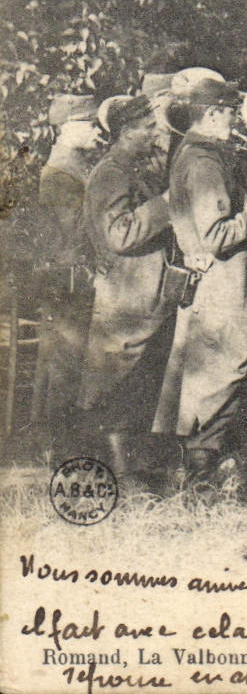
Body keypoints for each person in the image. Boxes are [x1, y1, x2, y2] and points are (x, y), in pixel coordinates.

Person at [155, 77, 247, 486]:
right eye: (233, 112)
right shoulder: (203, 163)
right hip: (227, 285)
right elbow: (215, 237)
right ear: (214, 113)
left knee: (221, 378)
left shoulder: (207, 155)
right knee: (219, 379)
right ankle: (202, 480)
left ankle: (205, 472)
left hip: (229, 283)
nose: (238, 121)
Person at [79, 96, 175, 481]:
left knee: (136, 381)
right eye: (147, 127)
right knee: (118, 382)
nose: (155, 132)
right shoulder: (111, 173)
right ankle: (122, 474)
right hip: (126, 294)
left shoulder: (131, 167)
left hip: (142, 293)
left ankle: (135, 469)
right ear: (124, 132)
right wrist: (166, 204)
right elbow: (119, 235)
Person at [29, 93, 102, 458]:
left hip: (75, 272)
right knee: (65, 359)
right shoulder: (59, 170)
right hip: (69, 275)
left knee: (67, 358)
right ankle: (58, 444)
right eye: (88, 123)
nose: (95, 129)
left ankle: (58, 440)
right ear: (67, 127)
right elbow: (72, 229)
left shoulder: (77, 162)